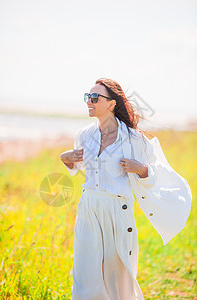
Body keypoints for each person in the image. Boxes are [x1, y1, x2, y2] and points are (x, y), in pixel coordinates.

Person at [60, 78, 192, 300]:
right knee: (85, 273)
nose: (89, 102)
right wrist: (66, 159)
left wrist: (142, 169)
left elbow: (157, 170)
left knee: (118, 276)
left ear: (111, 103)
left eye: (94, 98)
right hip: (88, 208)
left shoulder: (133, 139)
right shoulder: (85, 134)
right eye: (87, 97)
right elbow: (80, 165)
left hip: (117, 211)